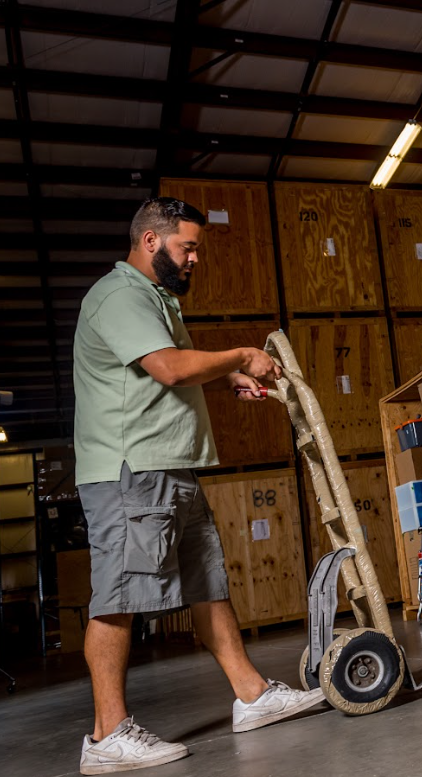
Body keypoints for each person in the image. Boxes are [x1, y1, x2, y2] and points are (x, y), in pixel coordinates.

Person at [73, 198, 324, 775]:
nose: (193, 259)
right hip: (129, 471)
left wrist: (227, 377)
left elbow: (162, 375)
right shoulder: (120, 295)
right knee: (119, 597)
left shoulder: (155, 300)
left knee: (207, 585)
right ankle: (106, 735)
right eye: (187, 247)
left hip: (170, 466)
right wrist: (241, 354)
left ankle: (252, 695)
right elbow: (169, 368)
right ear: (151, 241)